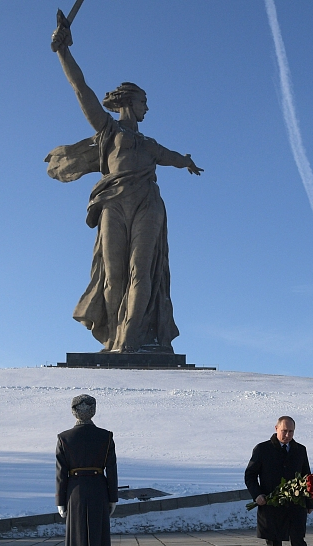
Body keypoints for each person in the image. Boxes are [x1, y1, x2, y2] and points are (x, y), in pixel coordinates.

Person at [48, 20, 203, 354]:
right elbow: (81, 90)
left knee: (141, 272)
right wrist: (63, 52)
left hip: (147, 203)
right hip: (113, 203)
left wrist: (186, 161)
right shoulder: (109, 131)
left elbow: (172, 157)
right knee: (113, 275)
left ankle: (130, 341)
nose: (148, 108)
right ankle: (114, 339)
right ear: (130, 102)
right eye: (144, 102)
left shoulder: (149, 144)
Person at [56, 394, 118, 546]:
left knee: (76, 541)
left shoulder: (64, 438)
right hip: (98, 490)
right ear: (94, 410)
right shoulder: (106, 437)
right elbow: (112, 470)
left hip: (74, 492)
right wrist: (113, 497)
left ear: (73, 411)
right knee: (95, 541)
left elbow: (61, 473)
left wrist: (60, 501)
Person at [244, 416, 313, 546]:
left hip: (295, 504)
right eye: (284, 431)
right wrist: (257, 495)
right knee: (274, 544)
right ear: (276, 429)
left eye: (291, 431)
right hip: (271, 504)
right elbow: (250, 475)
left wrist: (309, 502)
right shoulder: (262, 449)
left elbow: (307, 477)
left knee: (298, 540)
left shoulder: (300, 450)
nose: (287, 435)